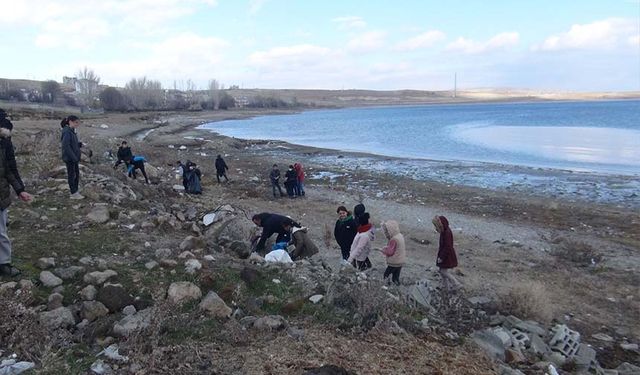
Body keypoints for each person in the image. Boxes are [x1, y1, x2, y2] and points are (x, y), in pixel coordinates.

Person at [0, 111, 33, 277]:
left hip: (1, 194)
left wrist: (20, 190)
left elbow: (10, 169)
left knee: (1, 232)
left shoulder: (5, 142)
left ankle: (4, 264)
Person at [432, 215, 462, 292]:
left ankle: (456, 283)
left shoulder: (446, 233)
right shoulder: (445, 231)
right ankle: (446, 287)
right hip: (446, 254)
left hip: (447, 256)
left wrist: (441, 257)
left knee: (443, 271)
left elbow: (447, 247)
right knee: (442, 271)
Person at [60, 115, 84, 199]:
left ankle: (76, 191)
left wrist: (79, 145)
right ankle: (73, 193)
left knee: (76, 174)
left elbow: (72, 143)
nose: (77, 124)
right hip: (70, 158)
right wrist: (74, 157)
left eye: (78, 122)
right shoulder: (66, 131)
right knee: (72, 175)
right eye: (76, 122)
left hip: (74, 158)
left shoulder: (72, 131)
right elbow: (66, 146)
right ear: (70, 121)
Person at [380, 220, 406, 285]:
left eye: (387, 231)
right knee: (395, 277)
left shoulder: (394, 239)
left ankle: (387, 285)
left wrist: (383, 250)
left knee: (386, 275)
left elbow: (390, 252)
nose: (386, 233)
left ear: (390, 231)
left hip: (394, 262)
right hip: (400, 261)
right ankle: (397, 285)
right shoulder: (400, 235)